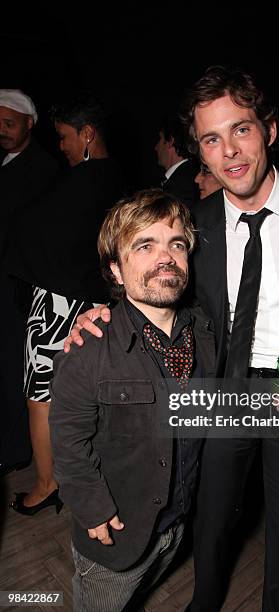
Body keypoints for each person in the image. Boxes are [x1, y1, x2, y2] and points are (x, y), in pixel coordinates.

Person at [66, 66, 279, 611]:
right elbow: (160, 283)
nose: (230, 151)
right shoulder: (197, 225)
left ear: (270, 131)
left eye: (242, 129)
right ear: (201, 152)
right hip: (219, 395)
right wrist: (104, 312)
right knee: (209, 523)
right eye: (212, 138)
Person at [49, 189, 215, 612]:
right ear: (117, 271)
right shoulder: (88, 350)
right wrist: (92, 509)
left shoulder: (209, 336)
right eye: (144, 245)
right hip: (116, 540)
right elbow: (68, 440)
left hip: (176, 522)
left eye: (176, 244)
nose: (166, 257)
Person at [5, 93, 123, 514]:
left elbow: (28, 230)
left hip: (58, 305)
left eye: (65, 137)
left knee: (40, 396)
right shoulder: (118, 179)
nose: (62, 146)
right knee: (84, 397)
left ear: (87, 134)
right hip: (98, 307)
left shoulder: (80, 180)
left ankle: (45, 484)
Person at [0, 89, 59, 478]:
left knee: (11, 370)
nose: (2, 131)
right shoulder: (4, 161)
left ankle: (14, 451)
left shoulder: (44, 170)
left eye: (9, 124)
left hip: (17, 287)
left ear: (29, 124)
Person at [155, 113, 199, 206]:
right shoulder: (188, 174)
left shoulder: (181, 186)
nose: (156, 147)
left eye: (159, 139)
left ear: (170, 141)